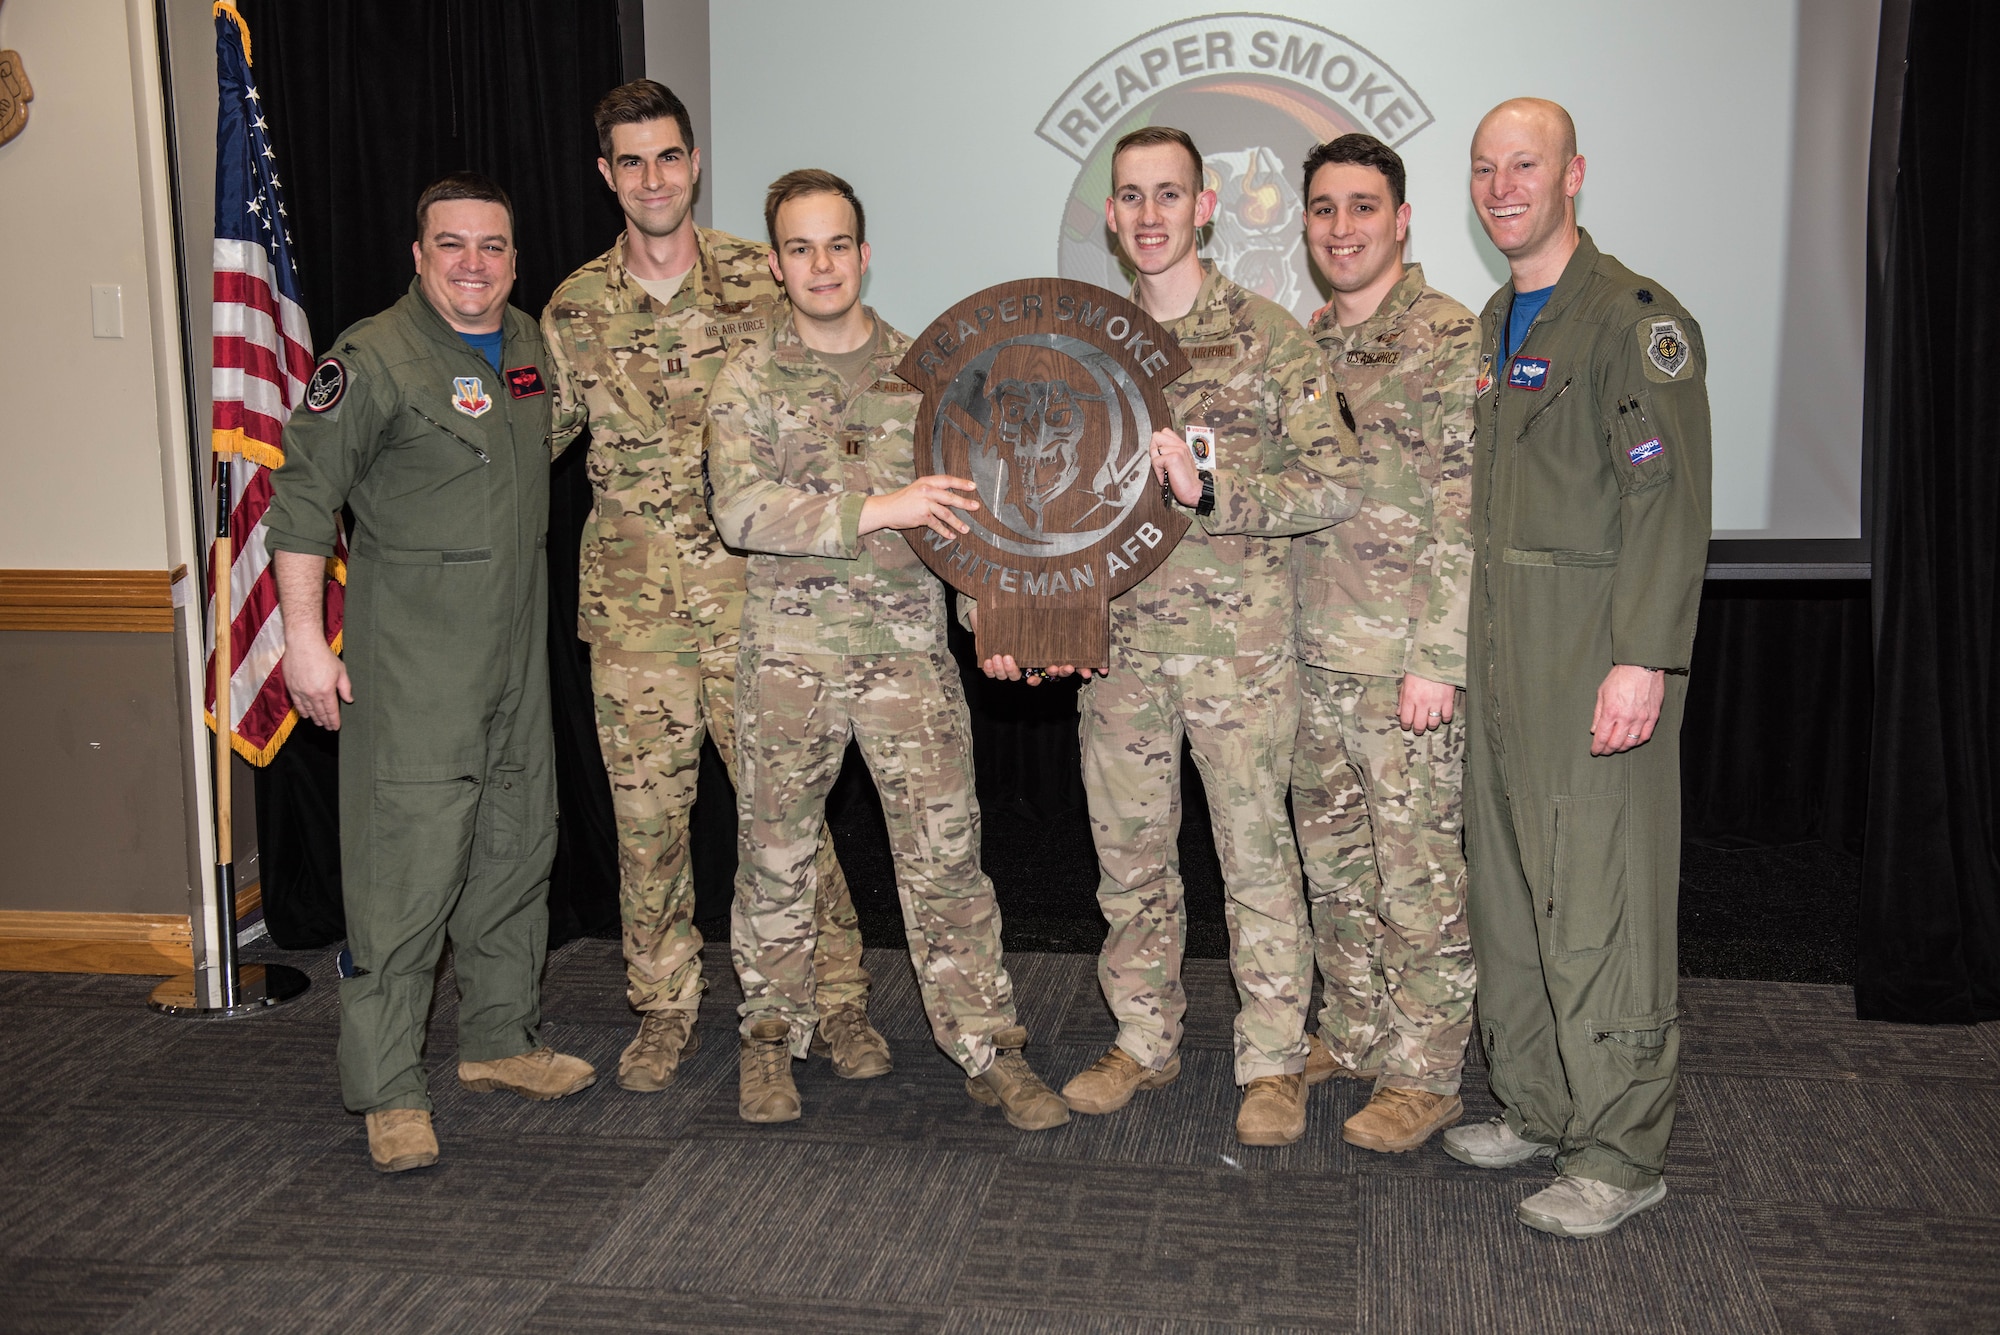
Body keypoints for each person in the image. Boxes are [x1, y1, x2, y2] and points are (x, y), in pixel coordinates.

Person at [983, 126, 1360, 1147]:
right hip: (1121, 657)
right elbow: (1033, 498)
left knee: (1255, 860)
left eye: (1168, 195)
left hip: (1240, 656)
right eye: (1130, 197)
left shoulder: (1268, 338)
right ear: (1109, 217)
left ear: (1204, 208)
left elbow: (1333, 481)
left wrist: (1213, 491)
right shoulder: (1082, 350)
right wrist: (1021, 614)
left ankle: (1274, 1058)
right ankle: (1142, 1040)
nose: (1149, 215)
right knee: (1130, 860)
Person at [706, 169, 1069, 1130]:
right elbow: (739, 510)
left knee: (948, 859)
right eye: (799, 247)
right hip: (789, 661)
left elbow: (972, 525)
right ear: (776, 264)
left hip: (908, 659)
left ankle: (990, 1045)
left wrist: (992, 614)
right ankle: (770, 1038)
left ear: (865, 255)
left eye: (837, 245)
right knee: (776, 858)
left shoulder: (931, 376)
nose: (821, 265)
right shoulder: (747, 378)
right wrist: (877, 507)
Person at [542, 80, 884, 1094]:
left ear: (693, 164)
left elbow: (845, 386)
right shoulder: (572, 307)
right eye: (631, 162)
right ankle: (663, 1008)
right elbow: (526, 450)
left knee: (790, 820)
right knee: (648, 834)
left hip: (760, 614)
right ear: (608, 175)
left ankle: (839, 997)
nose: (654, 178)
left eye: (669, 157)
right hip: (635, 622)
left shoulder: (762, 280)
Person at [268, 174, 597, 1174]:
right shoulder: (371, 359)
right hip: (411, 672)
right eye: (450, 244)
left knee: (511, 846)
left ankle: (499, 1040)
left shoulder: (531, 344)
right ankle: (386, 1087)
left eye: (491, 246)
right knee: (404, 873)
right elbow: (299, 507)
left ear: (513, 257)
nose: (472, 264)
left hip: (512, 660)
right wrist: (304, 640)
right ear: (417, 255)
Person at [1447, 98, 1711, 1237]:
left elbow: (1667, 498)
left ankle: (1618, 1150)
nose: (1502, 188)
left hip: (1593, 652)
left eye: (1524, 166)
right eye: (1483, 170)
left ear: (1572, 176)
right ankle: (1543, 1110)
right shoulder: (1492, 324)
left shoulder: (1632, 320)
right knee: (1508, 893)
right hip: (1501, 653)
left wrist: (1640, 657)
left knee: (1600, 900)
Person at [1290, 133, 1480, 1154]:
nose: (1341, 227)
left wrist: (1436, 659)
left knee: (1416, 877)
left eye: (1362, 207)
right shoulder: (1306, 345)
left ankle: (1426, 1072)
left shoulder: (1445, 339)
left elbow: (1463, 510)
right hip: (1310, 656)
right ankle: (1355, 1032)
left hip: (1399, 664)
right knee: (1336, 871)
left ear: (1401, 221)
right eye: (1323, 208)